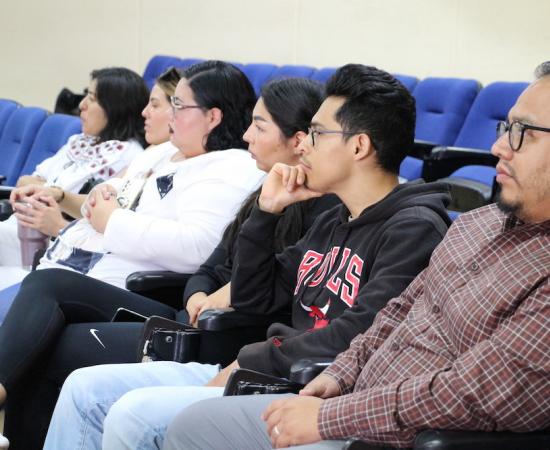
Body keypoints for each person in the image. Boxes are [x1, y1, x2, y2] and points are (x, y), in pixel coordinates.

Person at [43, 64, 451, 450]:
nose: (304, 145)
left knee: (134, 414)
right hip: (264, 370)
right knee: (85, 388)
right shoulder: (336, 220)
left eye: (317, 134)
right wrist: (266, 211)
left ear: (359, 146)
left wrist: (249, 360)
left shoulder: (412, 228)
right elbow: (256, 297)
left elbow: (360, 335)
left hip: (307, 389)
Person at [163, 62, 550, 450]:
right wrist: (340, 377)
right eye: (506, 128)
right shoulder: (476, 224)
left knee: (170, 421)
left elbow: (475, 392)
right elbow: (395, 314)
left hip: (390, 432)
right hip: (343, 396)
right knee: (178, 420)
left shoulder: (417, 228)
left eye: (524, 133)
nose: (499, 146)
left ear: (359, 146)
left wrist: (329, 413)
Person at [0, 60, 264, 450]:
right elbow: (110, 196)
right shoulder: (162, 154)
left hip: (143, 292)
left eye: (178, 105)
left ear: (211, 117)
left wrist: (113, 220)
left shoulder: (232, 167)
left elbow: (197, 248)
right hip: (92, 267)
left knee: (48, 296)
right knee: (44, 311)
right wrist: (95, 200)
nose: (164, 114)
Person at [0, 67, 148, 284]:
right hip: (20, 228)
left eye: (92, 98)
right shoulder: (79, 141)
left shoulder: (130, 156)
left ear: (115, 107)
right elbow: (27, 181)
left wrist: (52, 193)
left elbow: (97, 215)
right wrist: (50, 191)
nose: (82, 105)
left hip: (56, 243)